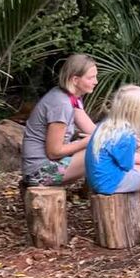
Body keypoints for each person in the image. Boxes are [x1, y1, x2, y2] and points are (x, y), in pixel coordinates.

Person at [86, 84, 140, 244]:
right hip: (110, 182)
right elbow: (127, 165)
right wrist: (133, 146)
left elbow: (123, 158)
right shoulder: (125, 135)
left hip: (101, 178)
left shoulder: (108, 123)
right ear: (133, 110)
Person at [21, 53, 100, 188]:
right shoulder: (61, 104)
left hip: (48, 168)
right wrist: (87, 142)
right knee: (100, 151)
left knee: (106, 143)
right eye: (91, 77)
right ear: (75, 80)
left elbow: (95, 130)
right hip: (39, 174)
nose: (96, 81)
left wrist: (123, 137)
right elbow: (54, 152)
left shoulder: (71, 97)